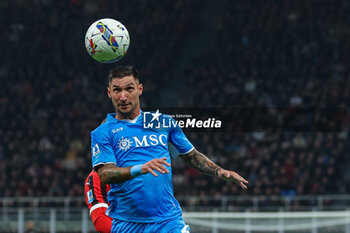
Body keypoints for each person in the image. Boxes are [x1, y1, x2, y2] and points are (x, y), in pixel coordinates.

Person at [91, 66, 248, 233]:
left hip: (168, 220)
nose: (123, 96)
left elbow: (190, 156)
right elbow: (105, 174)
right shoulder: (103, 131)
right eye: (117, 90)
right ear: (109, 93)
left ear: (140, 89)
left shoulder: (162, 122)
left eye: (129, 89)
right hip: (127, 223)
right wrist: (140, 169)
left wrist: (219, 171)